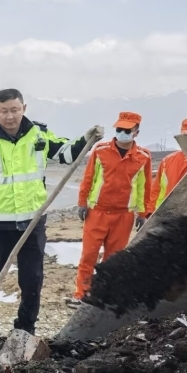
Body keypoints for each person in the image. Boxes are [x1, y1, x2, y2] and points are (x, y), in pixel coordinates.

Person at [0, 88, 101, 335]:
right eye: (4, 111)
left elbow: (65, 154)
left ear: (24, 108)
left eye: (14, 110)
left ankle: (26, 328)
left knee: (32, 279)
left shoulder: (39, 134)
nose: (10, 116)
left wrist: (85, 140)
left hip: (32, 223)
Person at [72, 112, 153, 302]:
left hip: (123, 216)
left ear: (136, 132)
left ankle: (103, 295)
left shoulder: (143, 157)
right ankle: (82, 294)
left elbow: (145, 187)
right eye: (119, 129)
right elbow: (88, 178)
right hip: (97, 213)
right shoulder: (100, 151)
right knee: (89, 256)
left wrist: (143, 213)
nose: (122, 133)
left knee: (113, 259)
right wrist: (82, 203)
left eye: (127, 130)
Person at [149, 118, 187, 212]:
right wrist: (150, 212)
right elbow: (156, 191)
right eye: (186, 136)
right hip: (170, 214)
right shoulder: (167, 161)